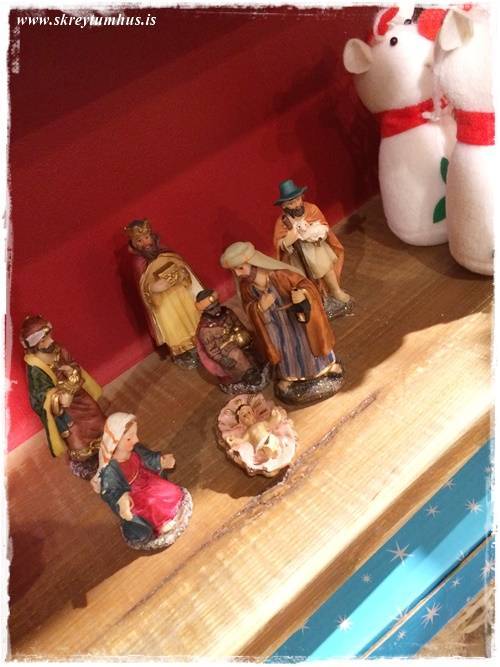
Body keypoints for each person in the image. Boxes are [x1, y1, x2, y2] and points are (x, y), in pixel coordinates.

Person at [220, 241, 342, 390]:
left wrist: (303, 294)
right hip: (274, 325)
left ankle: (325, 366)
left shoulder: (280, 274)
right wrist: (259, 307)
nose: (238, 274)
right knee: (284, 349)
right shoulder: (246, 287)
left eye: (240, 268)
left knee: (306, 343)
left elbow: (306, 285)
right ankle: (290, 375)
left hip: (295, 319)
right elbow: (248, 307)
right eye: (234, 270)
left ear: (254, 263)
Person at [21, 315, 105, 478]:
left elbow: (73, 364)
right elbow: (38, 397)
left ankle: (105, 445)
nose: (51, 341)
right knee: (76, 437)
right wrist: (58, 398)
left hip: (79, 396)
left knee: (97, 417)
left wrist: (72, 371)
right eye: (45, 340)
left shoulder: (57, 349)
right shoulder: (35, 368)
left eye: (49, 336)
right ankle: (87, 461)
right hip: (65, 410)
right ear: (37, 344)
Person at [91, 412, 192, 549]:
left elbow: (148, 458)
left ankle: (172, 513)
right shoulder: (111, 468)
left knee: (170, 491)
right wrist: (122, 500)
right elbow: (111, 489)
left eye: (135, 435)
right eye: (129, 438)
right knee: (151, 503)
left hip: (147, 479)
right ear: (115, 441)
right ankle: (160, 526)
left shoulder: (135, 449)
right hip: (133, 494)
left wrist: (161, 461)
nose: (136, 440)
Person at [124, 218, 203, 366]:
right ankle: (185, 352)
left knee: (192, 318)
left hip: (180, 294)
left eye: (146, 237)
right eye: (140, 240)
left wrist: (180, 274)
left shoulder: (165, 251)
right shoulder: (138, 263)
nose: (145, 243)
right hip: (164, 304)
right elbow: (143, 287)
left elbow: (182, 266)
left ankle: (201, 342)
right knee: (174, 326)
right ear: (134, 244)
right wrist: (153, 288)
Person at [273, 179, 350, 303]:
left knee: (326, 268)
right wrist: (288, 240)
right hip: (297, 255)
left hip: (316, 248)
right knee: (303, 278)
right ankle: (314, 299)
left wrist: (318, 233)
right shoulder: (282, 222)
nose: (297, 205)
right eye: (291, 203)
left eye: (298, 200)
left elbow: (324, 225)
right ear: (284, 206)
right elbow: (279, 243)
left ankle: (335, 291)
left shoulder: (311, 209)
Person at [195, 288, 264, 391]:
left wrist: (244, 335)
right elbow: (212, 350)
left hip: (237, 339)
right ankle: (249, 374)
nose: (217, 310)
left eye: (217, 305)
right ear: (205, 311)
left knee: (256, 342)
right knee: (237, 354)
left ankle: (258, 364)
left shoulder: (227, 312)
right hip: (225, 349)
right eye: (212, 309)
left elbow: (238, 325)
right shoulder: (205, 329)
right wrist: (222, 359)